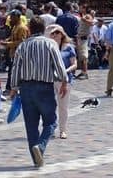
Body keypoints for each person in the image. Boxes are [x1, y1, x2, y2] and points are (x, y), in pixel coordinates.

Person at [9, 16, 69, 168]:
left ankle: (37, 158)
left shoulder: (23, 46)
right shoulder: (50, 43)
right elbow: (59, 64)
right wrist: (64, 81)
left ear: (29, 29)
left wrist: (14, 88)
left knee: (31, 125)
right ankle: (40, 147)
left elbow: (16, 67)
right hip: (44, 87)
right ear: (44, 29)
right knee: (51, 121)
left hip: (26, 88)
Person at [46, 24, 76, 139]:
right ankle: (51, 128)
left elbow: (74, 64)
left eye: (57, 32)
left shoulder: (68, 47)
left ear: (62, 34)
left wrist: (65, 71)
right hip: (50, 79)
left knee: (63, 106)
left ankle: (63, 130)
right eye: (52, 33)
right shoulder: (49, 47)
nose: (55, 35)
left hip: (65, 79)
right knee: (50, 105)